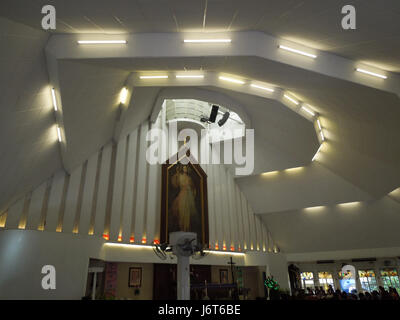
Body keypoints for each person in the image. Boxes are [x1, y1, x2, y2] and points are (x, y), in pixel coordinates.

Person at [171, 165, 198, 231]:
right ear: (182, 169)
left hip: (189, 196)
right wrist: (177, 174)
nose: (185, 169)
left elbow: (193, 188)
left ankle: (187, 228)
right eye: (184, 168)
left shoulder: (189, 178)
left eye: (186, 168)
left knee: (187, 212)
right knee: (181, 210)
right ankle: (181, 227)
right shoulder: (180, 176)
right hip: (182, 194)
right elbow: (175, 184)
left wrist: (193, 194)